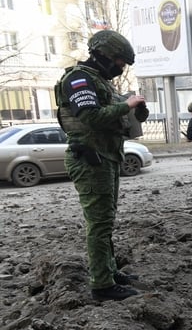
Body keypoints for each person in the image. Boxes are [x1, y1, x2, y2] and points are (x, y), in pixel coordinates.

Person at [55, 30, 148, 301]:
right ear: (105, 56)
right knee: (98, 223)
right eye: (119, 63)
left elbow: (117, 115)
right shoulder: (79, 78)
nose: (121, 68)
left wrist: (134, 108)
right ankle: (102, 285)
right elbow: (91, 117)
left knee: (105, 221)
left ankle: (108, 270)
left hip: (105, 157)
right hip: (90, 158)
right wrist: (125, 105)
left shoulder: (99, 82)